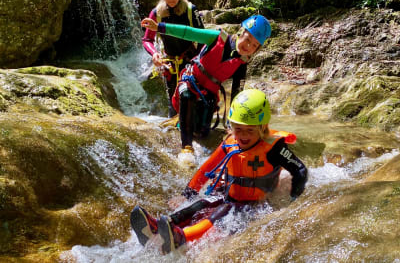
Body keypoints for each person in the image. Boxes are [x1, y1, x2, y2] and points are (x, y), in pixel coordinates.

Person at [130, 89, 308, 254]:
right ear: (231, 126)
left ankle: (181, 237)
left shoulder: (273, 148)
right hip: (228, 194)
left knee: (221, 213)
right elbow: (206, 168)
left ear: (262, 127)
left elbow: (299, 169)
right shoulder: (230, 142)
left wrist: (294, 199)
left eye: (250, 130)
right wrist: (187, 194)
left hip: (253, 204)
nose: (243, 135)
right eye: (238, 129)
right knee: (200, 204)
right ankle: (161, 226)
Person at [141, 14, 271, 166]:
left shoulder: (242, 63)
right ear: (241, 32)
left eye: (254, 45)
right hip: (190, 82)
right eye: (247, 39)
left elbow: (238, 95)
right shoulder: (217, 38)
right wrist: (159, 27)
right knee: (187, 95)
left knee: (202, 133)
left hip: (207, 96)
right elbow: (187, 32)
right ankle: (186, 148)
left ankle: (181, 122)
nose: (248, 46)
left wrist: (232, 126)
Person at [142, 0, 204, 118]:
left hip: (190, 61)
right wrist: (155, 53)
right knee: (173, 101)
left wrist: (200, 61)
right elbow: (147, 40)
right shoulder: (156, 13)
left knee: (191, 97)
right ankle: (175, 128)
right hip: (170, 65)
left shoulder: (190, 11)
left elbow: (203, 38)